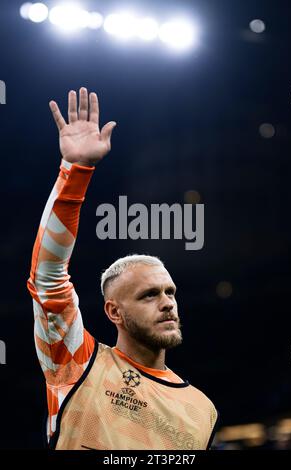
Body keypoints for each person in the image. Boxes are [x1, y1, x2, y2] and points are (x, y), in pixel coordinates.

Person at [27, 87, 218, 450]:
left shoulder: (203, 410)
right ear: (114, 310)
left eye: (170, 292)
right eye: (149, 294)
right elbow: (48, 278)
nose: (167, 303)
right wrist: (76, 171)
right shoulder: (77, 365)